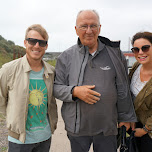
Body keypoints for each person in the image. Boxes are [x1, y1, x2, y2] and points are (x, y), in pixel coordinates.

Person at [53, 9, 136, 152]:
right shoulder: (65, 57)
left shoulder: (115, 54)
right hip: (77, 128)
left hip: (108, 128)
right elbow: (56, 87)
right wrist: (74, 91)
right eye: (84, 26)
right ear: (76, 29)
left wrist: (126, 117)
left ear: (100, 28)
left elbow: (123, 88)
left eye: (93, 26)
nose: (89, 31)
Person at [0, 24, 58, 152]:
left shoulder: (51, 72)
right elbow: (1, 99)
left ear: (46, 46)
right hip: (19, 141)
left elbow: (52, 102)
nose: (37, 46)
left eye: (42, 42)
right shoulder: (8, 70)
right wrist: (12, 121)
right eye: (32, 41)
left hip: (45, 138)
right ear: (25, 43)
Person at [129, 31, 152, 152]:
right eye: (136, 49)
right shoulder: (136, 67)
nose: (141, 52)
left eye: (145, 48)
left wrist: (145, 130)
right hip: (134, 127)